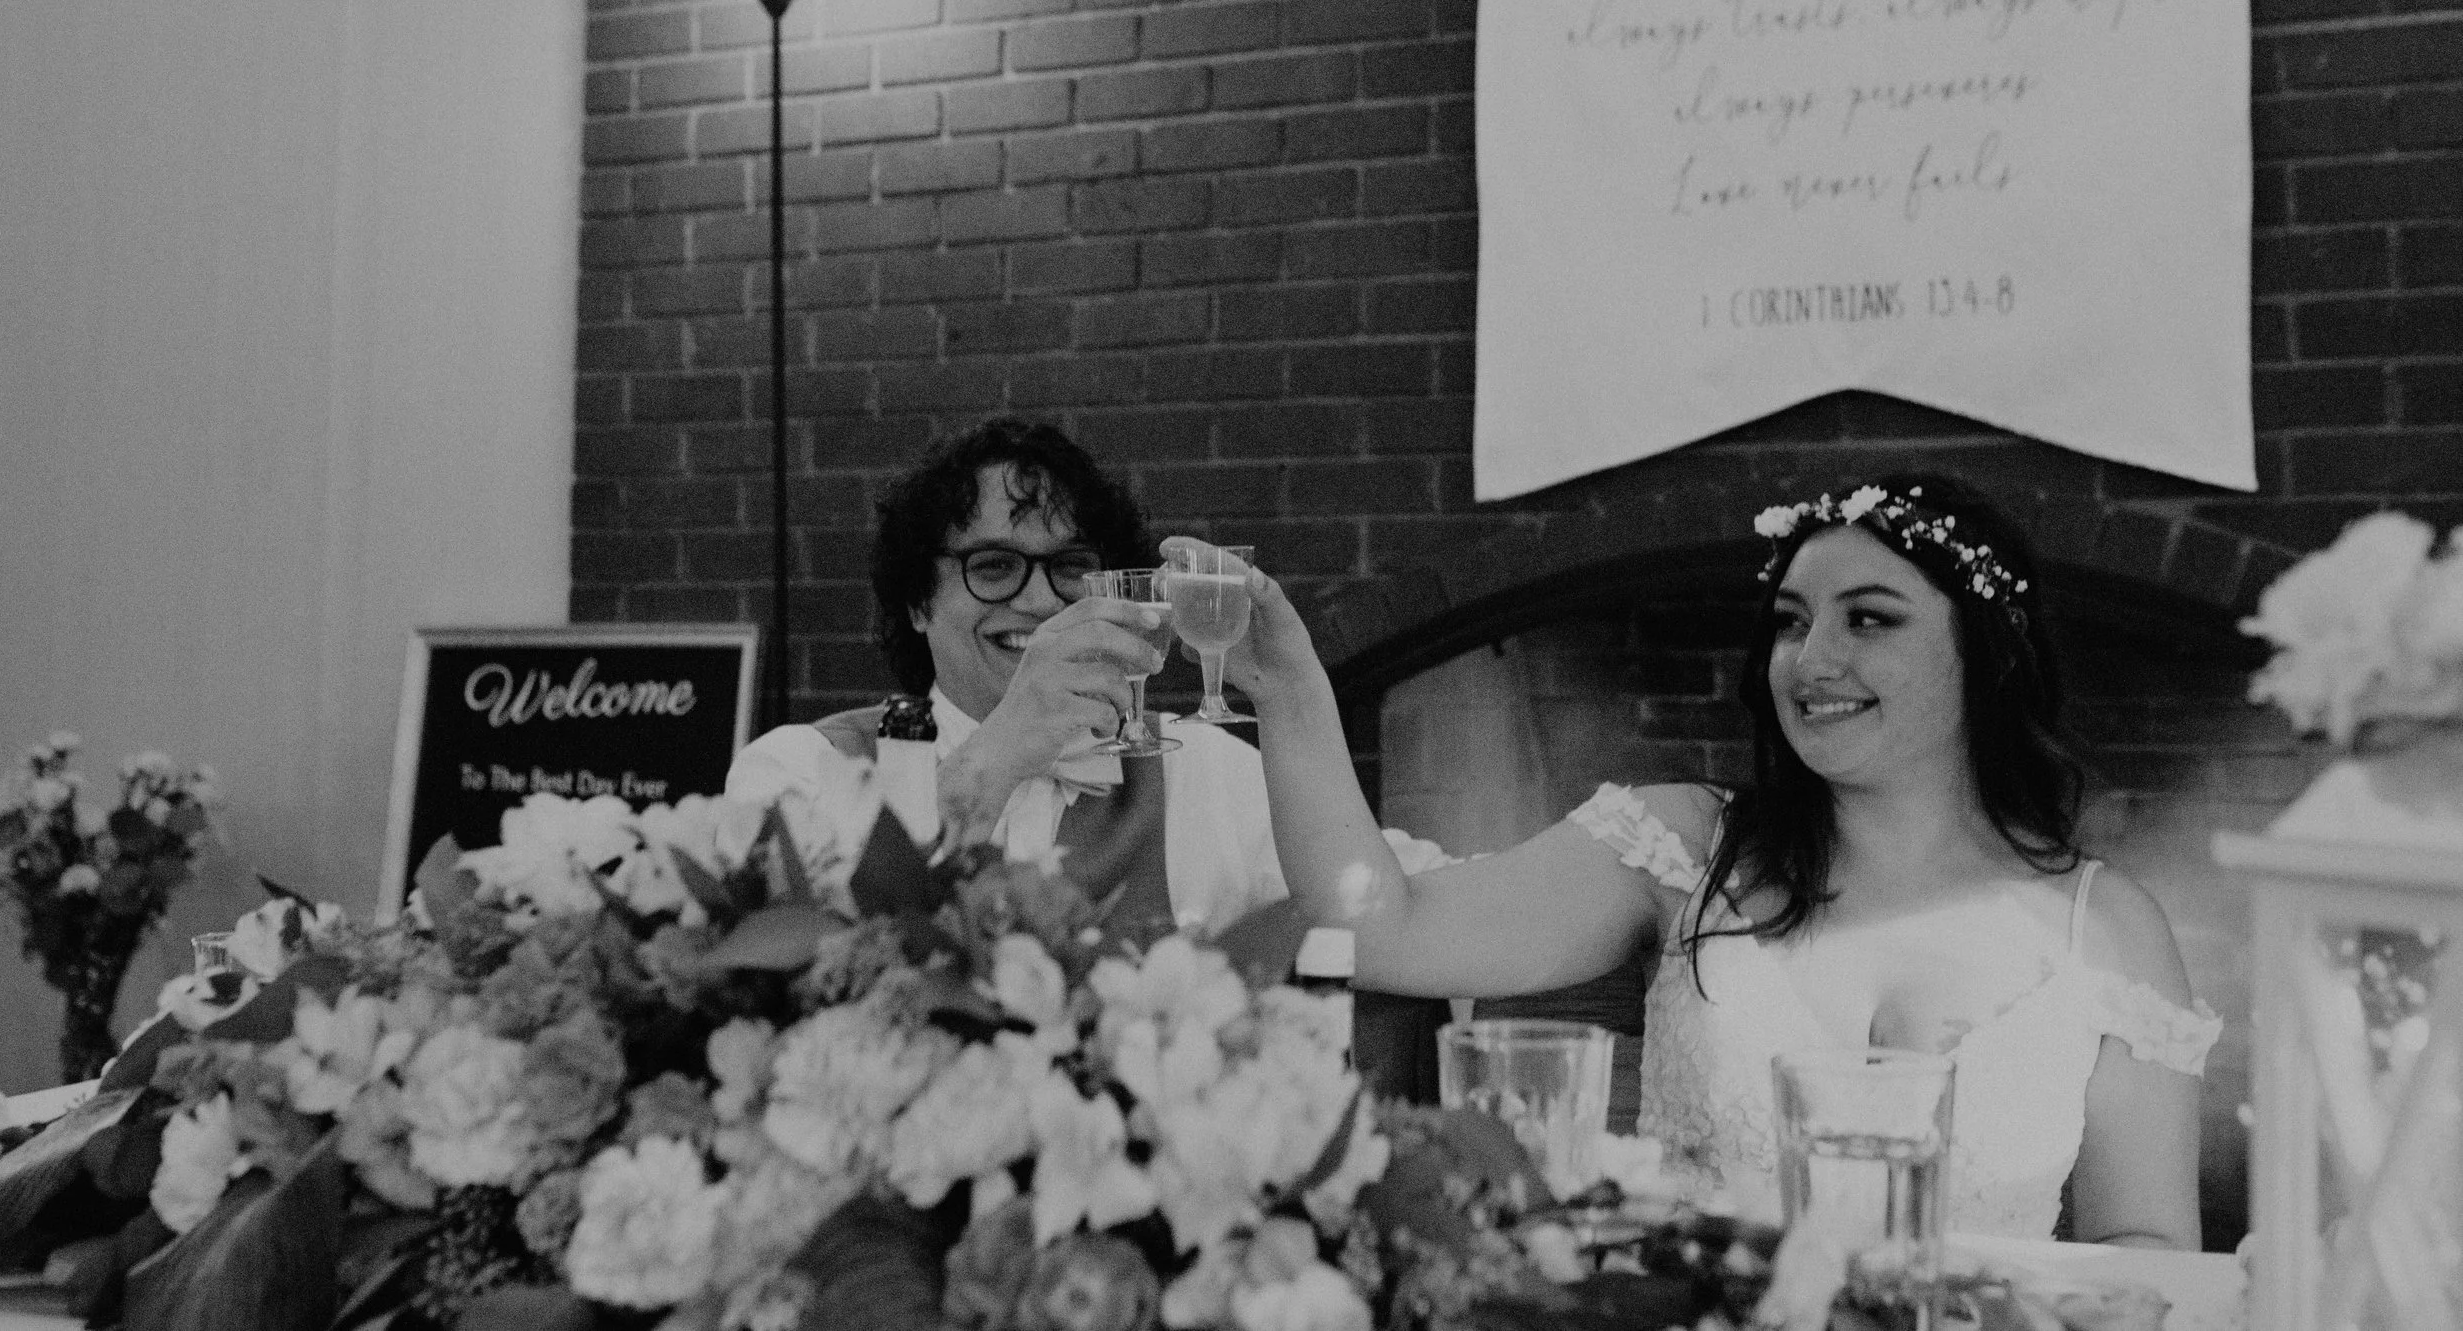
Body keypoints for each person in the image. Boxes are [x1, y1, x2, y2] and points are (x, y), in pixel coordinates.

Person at [1193, 474, 2220, 1248]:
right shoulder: (1681, 845)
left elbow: (2148, 1250)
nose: (1810, 660)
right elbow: (1378, 927)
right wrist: (1290, 692)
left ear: (1987, 654)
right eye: (1789, 621)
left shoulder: (2109, 930)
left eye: (1869, 617)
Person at [725, 418, 1287, 938]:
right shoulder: (797, 771)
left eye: (1071, 567)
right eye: (993, 566)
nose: (1042, 600)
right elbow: (804, 980)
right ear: (919, 603)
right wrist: (999, 753)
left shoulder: (1211, 772)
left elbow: (1358, 942)